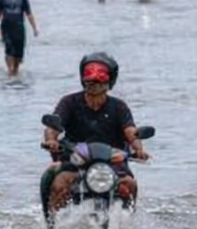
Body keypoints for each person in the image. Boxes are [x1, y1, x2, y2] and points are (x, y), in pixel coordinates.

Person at [41, 52, 149, 217]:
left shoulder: (119, 107)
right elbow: (54, 126)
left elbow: (131, 132)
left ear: (110, 80)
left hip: (114, 163)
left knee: (130, 184)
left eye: (100, 77)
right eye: (89, 77)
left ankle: (127, 225)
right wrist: (51, 140)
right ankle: (54, 227)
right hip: (76, 161)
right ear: (82, 78)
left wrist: (139, 149)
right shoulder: (69, 102)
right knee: (58, 183)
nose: (93, 83)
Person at [0, 0, 40, 78]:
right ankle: (10, 70)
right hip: (6, 26)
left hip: (19, 27)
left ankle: (15, 69)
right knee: (8, 48)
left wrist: (34, 28)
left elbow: (29, 13)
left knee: (19, 52)